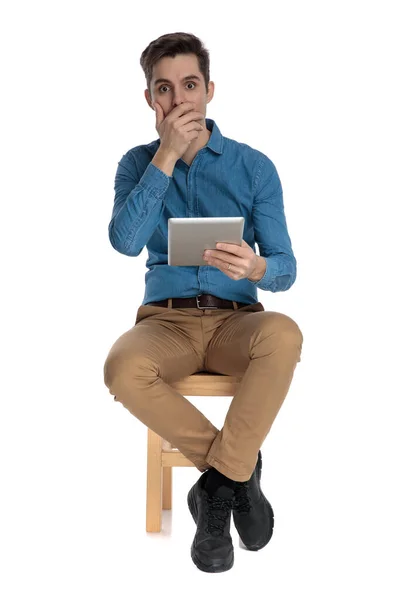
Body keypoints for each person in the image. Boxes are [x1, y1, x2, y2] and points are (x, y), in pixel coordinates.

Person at [103, 32, 303, 573]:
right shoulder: (136, 162)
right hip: (165, 324)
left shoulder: (253, 166)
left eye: (189, 85)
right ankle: (237, 474)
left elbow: (285, 267)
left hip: (236, 322)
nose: (179, 100)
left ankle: (211, 490)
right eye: (164, 89)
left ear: (209, 91)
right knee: (122, 367)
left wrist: (258, 267)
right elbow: (124, 242)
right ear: (151, 99)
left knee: (285, 334)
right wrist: (165, 156)